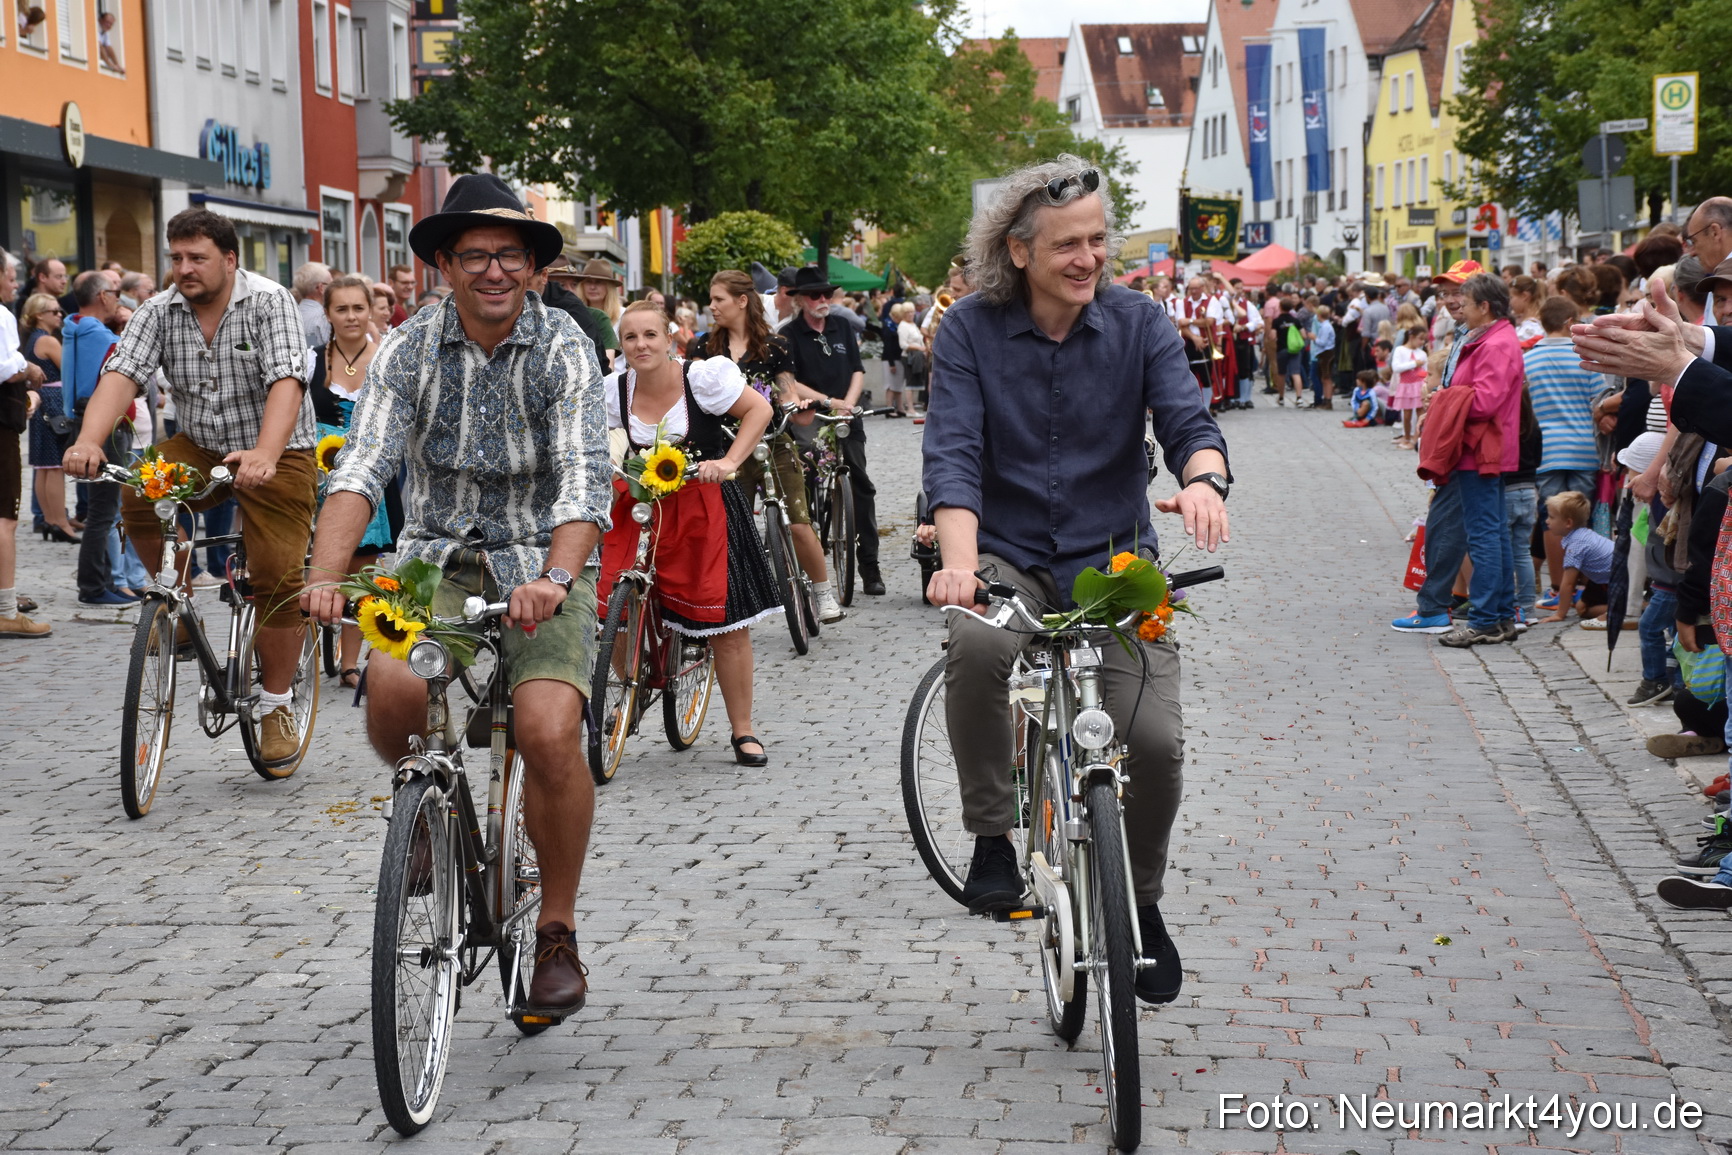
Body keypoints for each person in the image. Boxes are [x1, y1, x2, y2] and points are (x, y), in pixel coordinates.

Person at [923, 154, 1230, 1005]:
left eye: (1098, 240)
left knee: (1158, 743)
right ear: (1019, 250)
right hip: (1006, 547)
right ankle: (992, 835)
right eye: (1068, 244)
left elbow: (1187, 419)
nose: (1089, 257)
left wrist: (1203, 479)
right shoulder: (969, 332)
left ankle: (1141, 900)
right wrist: (956, 566)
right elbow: (952, 455)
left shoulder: (1140, 324)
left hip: (1114, 560)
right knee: (980, 644)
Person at [304, 173, 610, 1017]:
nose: (494, 271)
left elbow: (587, 481)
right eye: (474, 254)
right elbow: (362, 464)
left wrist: (555, 577)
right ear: (446, 263)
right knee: (391, 692)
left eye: (510, 254)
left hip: (542, 554)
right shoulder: (406, 348)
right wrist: (326, 577)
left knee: (548, 729)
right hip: (432, 558)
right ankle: (432, 824)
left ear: (533, 266)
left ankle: (556, 929)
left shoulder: (562, 348)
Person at [65, 209, 319, 761]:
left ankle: (276, 705)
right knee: (138, 488)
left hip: (279, 450)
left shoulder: (269, 301)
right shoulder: (159, 311)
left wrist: (266, 454)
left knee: (276, 574)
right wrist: (88, 439)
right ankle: (176, 598)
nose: (184, 268)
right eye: (176, 257)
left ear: (229, 260)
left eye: (197, 257)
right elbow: (122, 374)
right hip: (200, 445)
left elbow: (287, 381)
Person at [602, 300, 779, 764]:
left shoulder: (701, 378)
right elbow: (586, 439)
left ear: (670, 337)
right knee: (613, 600)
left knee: (724, 622)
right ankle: (627, 681)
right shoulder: (613, 390)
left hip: (705, 506)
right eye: (630, 337)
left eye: (649, 335)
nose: (641, 344)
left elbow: (759, 410)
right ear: (622, 346)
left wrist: (729, 461)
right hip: (645, 505)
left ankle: (743, 730)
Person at [689, 268, 843, 623]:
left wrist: (796, 404)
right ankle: (728, 602)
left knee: (800, 522)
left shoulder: (775, 346)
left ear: (742, 301)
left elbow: (786, 390)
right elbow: (694, 394)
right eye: (711, 299)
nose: (711, 306)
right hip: (726, 447)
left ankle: (822, 593)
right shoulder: (704, 348)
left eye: (718, 299)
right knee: (728, 529)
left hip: (773, 441)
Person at [1395, 267, 1523, 645]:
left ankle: (1486, 619)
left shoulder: (1496, 343)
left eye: (1464, 301)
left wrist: (1444, 399)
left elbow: (1483, 401)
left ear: (1484, 306)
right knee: (1492, 533)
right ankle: (1498, 616)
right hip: (1479, 448)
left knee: (1485, 536)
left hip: (1480, 450)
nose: (1459, 308)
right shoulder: (1488, 337)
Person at [307, 275, 398, 687]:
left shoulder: (386, 358)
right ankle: (301, 648)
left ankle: (349, 659)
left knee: (363, 570)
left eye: (358, 308)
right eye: (341, 309)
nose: (351, 316)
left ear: (371, 311)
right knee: (317, 562)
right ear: (327, 313)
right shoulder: (311, 359)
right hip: (318, 471)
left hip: (371, 469)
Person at [783, 265, 884, 595]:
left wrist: (848, 404)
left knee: (861, 483)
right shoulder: (789, 334)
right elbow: (790, 381)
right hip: (811, 414)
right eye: (816, 295)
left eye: (827, 293)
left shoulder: (841, 326)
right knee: (808, 474)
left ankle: (869, 566)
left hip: (846, 415)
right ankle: (810, 550)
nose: (824, 299)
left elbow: (857, 369)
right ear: (801, 300)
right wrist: (828, 401)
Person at [59, 271, 130, 606]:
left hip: (78, 422)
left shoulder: (73, 328)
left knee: (99, 509)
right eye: (116, 292)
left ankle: (101, 582)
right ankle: (93, 586)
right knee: (104, 512)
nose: (119, 298)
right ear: (102, 296)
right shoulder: (105, 339)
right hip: (105, 428)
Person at [1525, 295, 1602, 598]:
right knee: (1581, 519)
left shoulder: (1526, 359)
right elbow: (1599, 404)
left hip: (1546, 449)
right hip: (1584, 447)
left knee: (1551, 518)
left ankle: (1557, 589)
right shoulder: (1585, 357)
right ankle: (1582, 586)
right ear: (1570, 322)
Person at [0, 251, 51, 638]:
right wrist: (28, 371)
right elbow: (6, 368)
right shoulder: (1, 315)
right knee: (5, 518)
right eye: (11, 275)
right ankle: (4, 608)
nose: (16, 283)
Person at [18, 293, 78, 543]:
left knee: (43, 467)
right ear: (39, 315)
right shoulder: (48, 341)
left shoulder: (32, 339)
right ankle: (60, 522)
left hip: (41, 402)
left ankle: (50, 520)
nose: (60, 315)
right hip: (53, 404)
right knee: (54, 468)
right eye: (54, 311)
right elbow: (69, 369)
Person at [1537, 491, 1610, 624]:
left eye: (1551, 517)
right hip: (1611, 577)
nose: (1547, 521)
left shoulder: (1575, 546)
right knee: (1581, 605)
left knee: (1583, 610)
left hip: (1613, 581)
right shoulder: (1583, 535)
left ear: (1568, 523)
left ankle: (1627, 609)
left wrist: (1560, 614)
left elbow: (1568, 583)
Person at [1389, 325, 1427, 447]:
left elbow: (1426, 370)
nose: (1422, 342)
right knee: (1406, 414)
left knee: (1420, 413)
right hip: (1406, 385)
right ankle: (1406, 436)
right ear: (1411, 337)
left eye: (1423, 339)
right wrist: (1414, 364)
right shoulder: (1400, 350)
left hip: (1419, 385)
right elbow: (1396, 367)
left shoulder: (1422, 353)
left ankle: (1416, 438)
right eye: (1420, 339)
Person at [292, 262, 333, 347]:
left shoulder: (291, 316)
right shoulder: (324, 317)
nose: (334, 289)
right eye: (332, 284)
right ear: (321, 288)